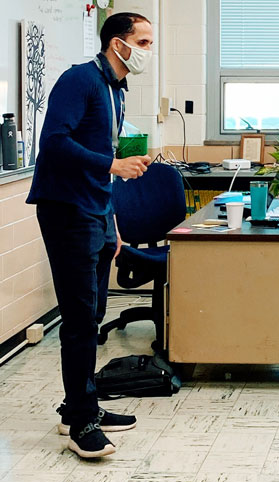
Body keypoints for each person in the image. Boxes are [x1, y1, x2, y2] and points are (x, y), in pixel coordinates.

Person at [25, 13, 154, 458]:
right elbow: (54, 143)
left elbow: (106, 159)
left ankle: (79, 406)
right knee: (79, 320)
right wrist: (112, 167)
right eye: (143, 41)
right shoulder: (79, 80)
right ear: (118, 44)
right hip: (66, 210)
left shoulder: (116, 90)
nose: (147, 51)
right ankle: (83, 423)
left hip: (97, 213)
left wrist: (113, 223)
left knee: (94, 312)